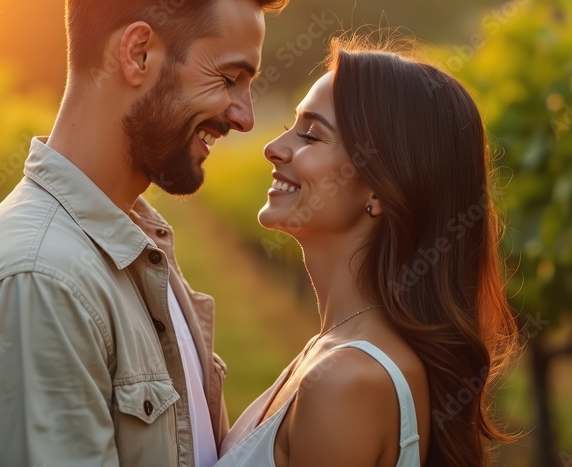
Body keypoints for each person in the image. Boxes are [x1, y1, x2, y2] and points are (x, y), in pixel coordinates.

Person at [0, 0, 290, 466]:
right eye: (228, 78)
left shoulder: (132, 240)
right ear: (138, 52)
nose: (244, 117)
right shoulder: (42, 281)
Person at [215, 38, 519, 467]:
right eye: (291, 126)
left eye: (311, 134)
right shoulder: (335, 351)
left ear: (380, 188)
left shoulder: (344, 381)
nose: (274, 147)